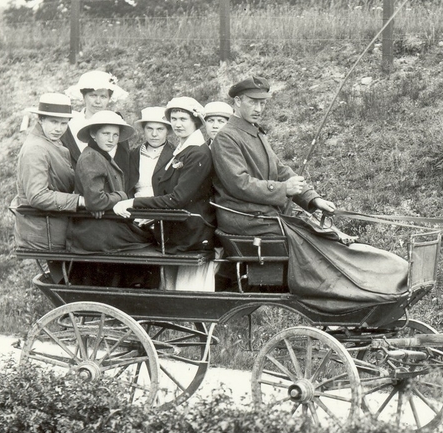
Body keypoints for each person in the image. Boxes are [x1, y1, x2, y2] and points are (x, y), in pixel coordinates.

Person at [210, 75, 337, 238]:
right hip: (244, 220)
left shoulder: (254, 132)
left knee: (327, 237)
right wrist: (284, 189)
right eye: (252, 102)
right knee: (311, 242)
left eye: (262, 103)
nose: (258, 109)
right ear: (238, 101)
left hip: (262, 216)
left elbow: (280, 170)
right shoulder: (226, 137)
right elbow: (239, 184)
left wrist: (313, 199)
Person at [115, 98, 217, 290]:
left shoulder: (198, 153)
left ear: (195, 122)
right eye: (174, 119)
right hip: (177, 228)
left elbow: (177, 199)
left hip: (190, 232)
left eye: (183, 119)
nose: (178, 124)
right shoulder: (183, 150)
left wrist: (134, 203)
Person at [68, 110, 159, 287]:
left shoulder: (101, 155)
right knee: (149, 243)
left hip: (103, 224)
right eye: (106, 134)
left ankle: (131, 288)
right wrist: (122, 196)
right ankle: (136, 290)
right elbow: (96, 202)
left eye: (115, 135)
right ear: (93, 134)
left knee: (147, 238)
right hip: (94, 230)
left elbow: (98, 200)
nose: (111, 139)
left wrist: (105, 203)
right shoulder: (92, 158)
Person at [12, 93, 87, 281]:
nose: (58, 128)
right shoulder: (36, 149)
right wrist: (79, 200)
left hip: (56, 221)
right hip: (46, 227)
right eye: (54, 122)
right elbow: (37, 196)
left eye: (63, 123)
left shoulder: (50, 143)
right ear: (41, 119)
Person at [60, 70, 130, 167]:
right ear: (84, 96)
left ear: (109, 98)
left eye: (103, 96)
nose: (98, 101)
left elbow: (124, 161)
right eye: (93, 95)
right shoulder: (71, 124)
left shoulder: (117, 122)